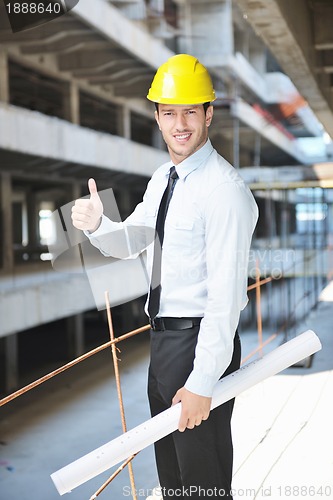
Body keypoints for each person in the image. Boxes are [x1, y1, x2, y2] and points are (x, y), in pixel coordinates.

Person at [72, 54, 258, 499]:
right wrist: (99, 225)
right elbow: (132, 240)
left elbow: (225, 299)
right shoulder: (164, 178)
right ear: (156, 116)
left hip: (199, 346)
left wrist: (200, 382)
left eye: (190, 111)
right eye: (170, 112)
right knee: (173, 481)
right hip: (163, 343)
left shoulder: (224, 191)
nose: (180, 124)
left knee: (204, 484)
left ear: (208, 114)